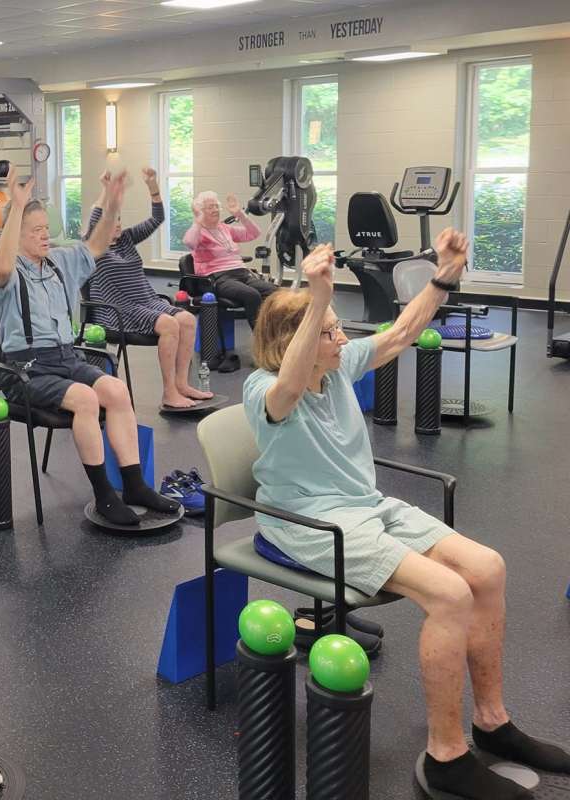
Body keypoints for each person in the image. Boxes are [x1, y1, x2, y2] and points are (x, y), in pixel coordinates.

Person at [243, 233, 570, 800]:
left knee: (487, 567)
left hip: (367, 509)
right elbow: (290, 388)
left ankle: (491, 721)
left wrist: (443, 276)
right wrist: (317, 299)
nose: (341, 337)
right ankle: (445, 757)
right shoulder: (262, 388)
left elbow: (400, 333)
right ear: (292, 339)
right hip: (306, 523)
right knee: (449, 594)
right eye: (328, 332)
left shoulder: (340, 366)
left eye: (338, 326)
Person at [0, 168, 181, 526]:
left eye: (47, 229)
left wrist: (113, 203)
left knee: (117, 391)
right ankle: (104, 494)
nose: (45, 236)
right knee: (87, 400)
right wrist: (16, 208)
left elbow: (98, 243)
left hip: (66, 358)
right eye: (36, 231)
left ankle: (134, 485)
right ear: (18, 235)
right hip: (24, 370)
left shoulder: (61, 261)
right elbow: (0, 266)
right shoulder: (8, 271)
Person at [84, 166, 212, 409]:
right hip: (117, 309)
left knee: (186, 319)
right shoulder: (93, 248)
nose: (118, 225)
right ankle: (169, 392)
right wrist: (106, 190)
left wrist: (152, 186)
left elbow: (157, 219)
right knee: (169, 324)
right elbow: (95, 217)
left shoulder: (127, 239)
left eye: (120, 219)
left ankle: (182, 383)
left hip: (147, 301)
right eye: (113, 220)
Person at [183, 190, 276, 329]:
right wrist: (197, 221)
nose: (215, 210)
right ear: (200, 212)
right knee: (252, 295)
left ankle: (277, 333)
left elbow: (254, 233)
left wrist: (240, 214)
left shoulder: (224, 228)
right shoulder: (199, 232)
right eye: (210, 207)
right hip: (218, 278)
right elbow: (189, 242)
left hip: (242, 274)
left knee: (276, 292)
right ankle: (262, 341)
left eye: (216, 206)